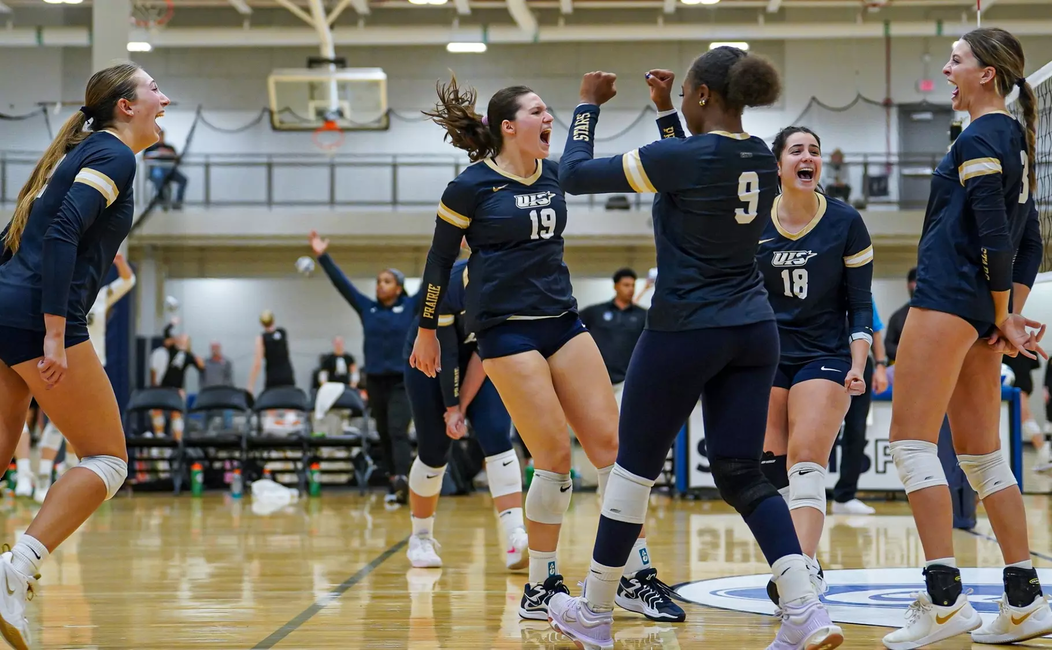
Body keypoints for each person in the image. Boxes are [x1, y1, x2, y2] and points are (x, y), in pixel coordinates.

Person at [546, 52, 840, 650]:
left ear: (703, 94)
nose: (678, 99)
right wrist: (662, 114)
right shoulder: (758, 152)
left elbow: (573, 173)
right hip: (754, 332)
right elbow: (692, 170)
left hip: (685, 328)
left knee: (632, 470)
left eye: (682, 93)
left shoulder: (683, 156)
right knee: (743, 475)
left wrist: (586, 107)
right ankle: (805, 610)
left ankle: (595, 614)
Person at [410, 74, 682, 624]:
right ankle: (541, 584)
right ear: (509, 127)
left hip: (562, 319)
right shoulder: (470, 187)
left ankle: (636, 576)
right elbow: (440, 262)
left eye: (549, 111)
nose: (548, 118)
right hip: (505, 331)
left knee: (616, 451)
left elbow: (640, 167)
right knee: (554, 459)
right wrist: (426, 329)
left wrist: (658, 113)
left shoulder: (557, 173)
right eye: (538, 112)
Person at [883, 29, 1052, 648]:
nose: (947, 71)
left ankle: (944, 600)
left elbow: (995, 236)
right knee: (983, 457)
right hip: (975, 311)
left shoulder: (983, 135)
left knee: (910, 445)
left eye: (956, 62)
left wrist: (1004, 314)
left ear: (987, 74)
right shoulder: (1013, 139)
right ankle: (1025, 598)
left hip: (948, 299)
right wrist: (1004, 313)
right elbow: (1027, 242)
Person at [0, 62, 168, 648]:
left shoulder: (81, 152)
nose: (163, 98)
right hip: (39, 318)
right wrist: (53, 331)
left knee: (1, 444)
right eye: (153, 90)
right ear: (126, 106)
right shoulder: (116, 156)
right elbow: (63, 231)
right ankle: (15, 568)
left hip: (6, 305)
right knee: (107, 460)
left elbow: (18, 235)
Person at [757, 125, 874, 605]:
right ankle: (802, 560)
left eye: (815, 151)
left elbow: (860, 302)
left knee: (806, 457)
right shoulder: (752, 221)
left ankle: (799, 574)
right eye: (797, 150)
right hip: (763, 353)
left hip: (824, 353)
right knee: (770, 466)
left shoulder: (845, 221)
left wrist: (859, 362)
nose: (808, 157)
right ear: (778, 164)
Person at [404, 255, 529, 570]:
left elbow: (483, 351)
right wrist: (451, 408)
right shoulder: (448, 283)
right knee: (434, 450)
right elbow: (444, 351)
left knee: (497, 434)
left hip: (476, 359)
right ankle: (420, 537)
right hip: (429, 358)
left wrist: (461, 408)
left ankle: (516, 536)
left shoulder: (512, 289)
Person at [310, 233, 416, 504]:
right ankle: (394, 481)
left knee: (397, 430)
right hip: (375, 381)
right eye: (379, 281)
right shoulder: (367, 308)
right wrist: (323, 256)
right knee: (382, 433)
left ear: (399, 287)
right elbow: (343, 285)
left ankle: (404, 478)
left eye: (387, 281)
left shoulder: (410, 307)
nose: (381, 286)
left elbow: (433, 280)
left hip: (402, 381)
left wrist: (451, 249)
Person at [32, 252, 136, 503]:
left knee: (81, 428)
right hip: (64, 366)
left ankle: (68, 474)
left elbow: (128, 281)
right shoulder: (57, 298)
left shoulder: (101, 297)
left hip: (94, 368)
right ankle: (43, 477)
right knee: (59, 423)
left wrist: (121, 263)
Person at [831, 298, 889, 515]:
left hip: (861, 364)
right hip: (826, 360)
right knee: (818, 429)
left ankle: (845, 496)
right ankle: (803, 492)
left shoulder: (860, 290)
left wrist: (881, 366)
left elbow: (875, 329)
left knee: (856, 431)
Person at [579, 268, 647, 407]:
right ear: (616, 286)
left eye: (633, 285)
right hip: (599, 378)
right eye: (626, 285)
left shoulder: (643, 315)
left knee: (622, 422)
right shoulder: (595, 312)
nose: (630, 289)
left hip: (627, 380)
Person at [247, 310, 296, 393]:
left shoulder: (261, 338)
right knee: (289, 400)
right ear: (273, 320)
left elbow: (257, 364)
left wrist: (250, 385)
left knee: (272, 401)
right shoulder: (283, 332)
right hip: (287, 374)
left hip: (273, 376)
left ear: (261, 323)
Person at [144, 128, 186, 210]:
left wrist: (168, 153)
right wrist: (157, 153)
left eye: (162, 136)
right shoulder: (150, 147)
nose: (160, 138)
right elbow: (144, 158)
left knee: (183, 180)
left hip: (170, 170)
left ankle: (178, 202)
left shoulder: (170, 147)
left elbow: (177, 159)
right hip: (156, 170)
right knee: (159, 176)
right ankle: (162, 200)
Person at [884, 267, 916, 363]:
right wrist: (907, 355)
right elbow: (888, 345)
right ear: (908, 285)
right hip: (903, 366)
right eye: (915, 282)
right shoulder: (898, 317)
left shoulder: (935, 316)